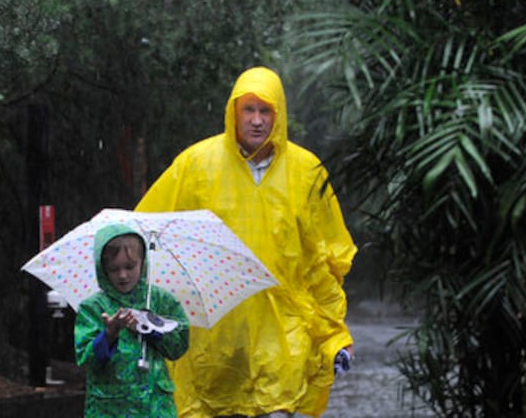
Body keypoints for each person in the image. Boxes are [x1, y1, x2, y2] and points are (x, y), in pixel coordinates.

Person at [135, 66, 357, 417]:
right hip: (214, 342)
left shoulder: (306, 172)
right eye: (248, 110)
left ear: (279, 114)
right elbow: (147, 236)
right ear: (233, 113)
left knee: (278, 406)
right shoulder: (196, 165)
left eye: (265, 110)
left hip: (282, 340)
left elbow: (323, 267)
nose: (256, 121)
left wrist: (335, 337)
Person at [74, 223, 190, 417]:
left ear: (142, 263)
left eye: (130, 266)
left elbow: (178, 347)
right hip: (110, 408)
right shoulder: (92, 308)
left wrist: (151, 330)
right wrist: (109, 335)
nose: (123, 275)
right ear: (102, 269)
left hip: (155, 406)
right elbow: (86, 358)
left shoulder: (160, 300)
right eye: (114, 269)